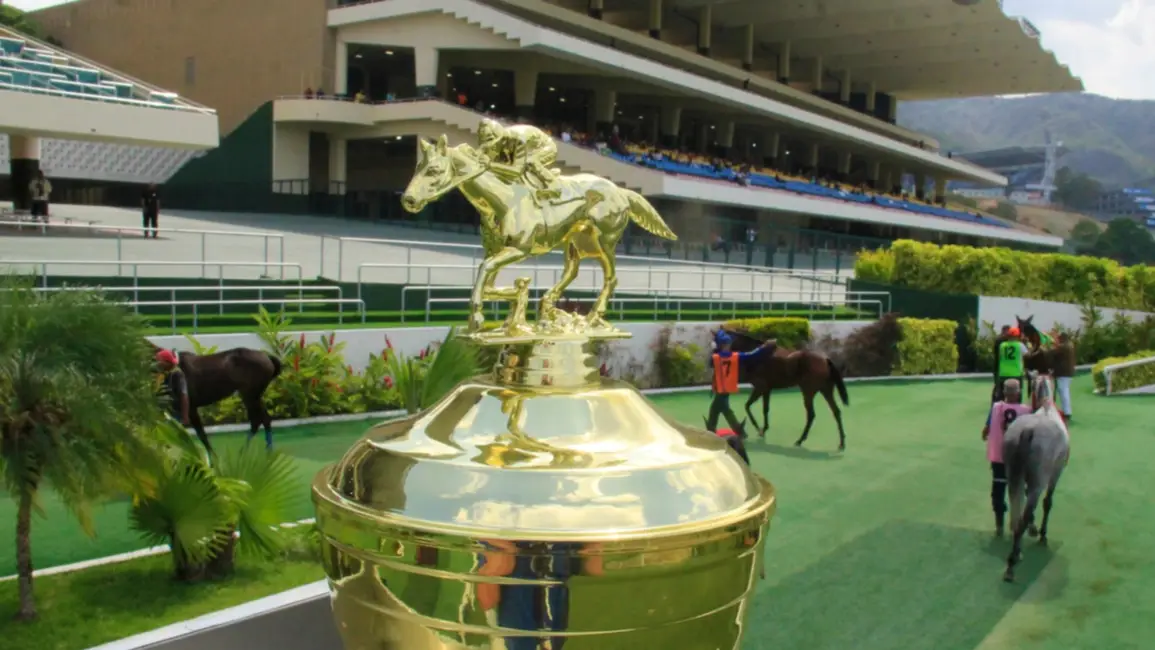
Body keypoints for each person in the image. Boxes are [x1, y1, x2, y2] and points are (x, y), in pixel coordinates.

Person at [982, 378, 1032, 537]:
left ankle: (999, 525)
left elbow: (986, 430)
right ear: (1018, 393)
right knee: (1023, 489)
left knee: (998, 491)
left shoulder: (996, 408)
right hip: (1019, 459)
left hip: (999, 458)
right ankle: (1028, 520)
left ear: (1004, 393)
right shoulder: (1027, 410)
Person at [706, 331, 774, 439]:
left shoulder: (716, 357)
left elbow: (710, 362)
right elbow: (752, 355)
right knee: (721, 409)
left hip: (721, 389)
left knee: (718, 409)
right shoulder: (735, 356)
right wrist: (763, 347)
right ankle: (734, 431)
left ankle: (716, 431)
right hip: (727, 388)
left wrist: (714, 348)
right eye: (728, 344)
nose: (730, 345)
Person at [476, 118, 562, 204]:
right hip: (529, 148)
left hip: (546, 147)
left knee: (530, 162)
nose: (492, 149)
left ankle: (553, 185)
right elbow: (479, 153)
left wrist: (490, 164)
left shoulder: (517, 138)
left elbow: (517, 170)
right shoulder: (500, 139)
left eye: (493, 146)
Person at [155, 349, 190, 427]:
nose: (157, 364)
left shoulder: (177, 374)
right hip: (166, 412)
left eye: (159, 361)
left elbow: (183, 395)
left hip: (175, 413)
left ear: (167, 362)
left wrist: (185, 416)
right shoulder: (165, 373)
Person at [993, 326, 1027, 403]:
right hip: (1016, 373)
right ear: (1017, 336)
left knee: (1002, 395)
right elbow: (1027, 355)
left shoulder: (1002, 345)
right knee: (1017, 395)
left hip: (1003, 373)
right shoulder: (1020, 345)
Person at [1053, 332, 1076, 423]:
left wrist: (1054, 342)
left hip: (1063, 373)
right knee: (1064, 391)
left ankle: (1067, 412)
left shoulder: (1063, 347)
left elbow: (1053, 353)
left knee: (1063, 392)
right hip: (1067, 372)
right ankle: (1066, 411)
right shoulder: (1069, 345)